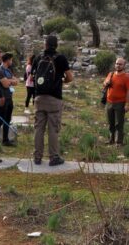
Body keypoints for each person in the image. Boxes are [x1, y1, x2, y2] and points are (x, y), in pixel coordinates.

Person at [32, 35, 73, 166]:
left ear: (45, 44)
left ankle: (37, 157)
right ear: (56, 45)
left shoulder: (38, 57)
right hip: (54, 98)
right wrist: (62, 80)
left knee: (39, 128)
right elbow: (70, 77)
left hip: (39, 97)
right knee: (53, 129)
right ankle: (53, 157)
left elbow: (32, 76)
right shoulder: (60, 58)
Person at [103, 58, 129, 146]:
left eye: (120, 64)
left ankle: (119, 142)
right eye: (116, 63)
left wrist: (127, 103)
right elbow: (104, 84)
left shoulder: (126, 77)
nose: (118, 65)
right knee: (110, 122)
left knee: (119, 123)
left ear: (124, 66)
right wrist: (106, 83)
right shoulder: (111, 74)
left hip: (120, 103)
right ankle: (111, 139)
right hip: (109, 102)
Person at [0, 52, 19, 146]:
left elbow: (17, 81)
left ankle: (5, 140)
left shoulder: (8, 70)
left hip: (10, 98)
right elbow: (5, 84)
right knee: (0, 120)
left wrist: (9, 81)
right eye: (11, 59)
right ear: (8, 60)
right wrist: (11, 81)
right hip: (3, 98)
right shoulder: (0, 70)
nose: (12, 61)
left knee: (7, 119)